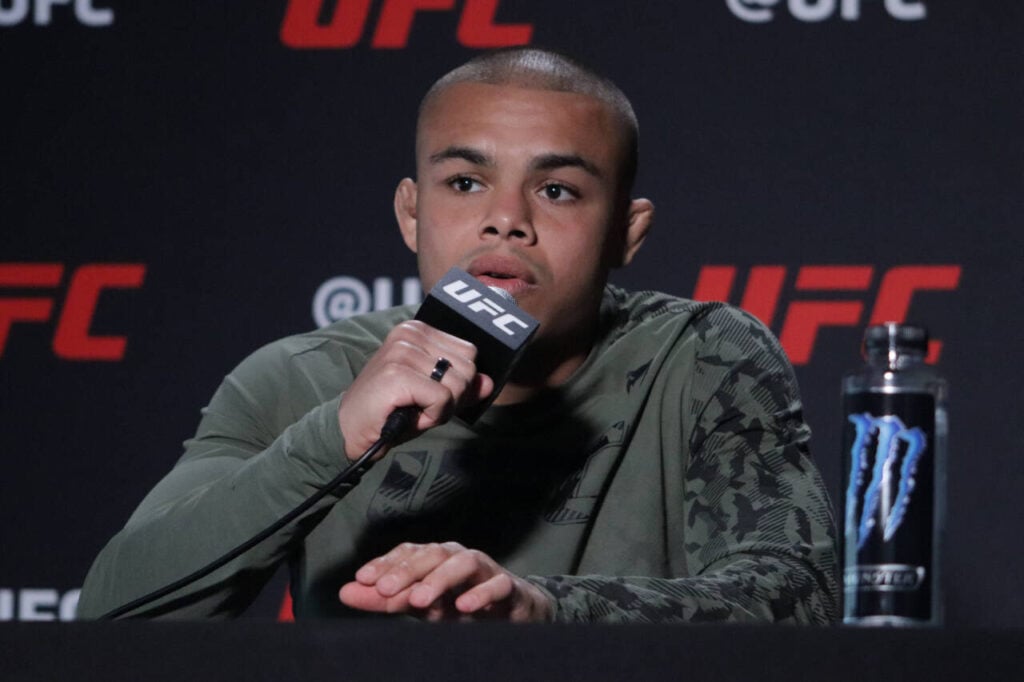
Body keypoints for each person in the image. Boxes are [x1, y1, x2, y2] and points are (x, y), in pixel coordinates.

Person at [77, 47, 839, 623]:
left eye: (557, 190)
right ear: (412, 212)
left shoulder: (700, 356)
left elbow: (797, 593)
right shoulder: (298, 379)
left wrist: (543, 609)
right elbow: (114, 615)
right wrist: (333, 437)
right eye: (466, 183)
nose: (505, 218)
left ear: (625, 234)